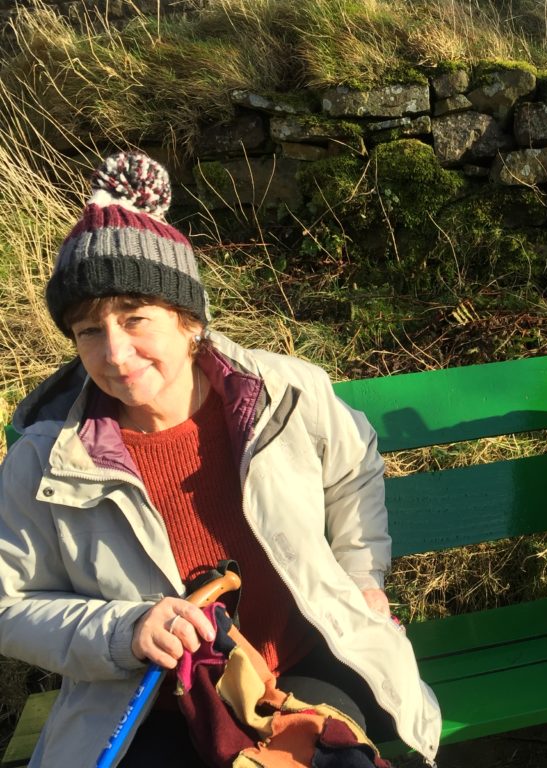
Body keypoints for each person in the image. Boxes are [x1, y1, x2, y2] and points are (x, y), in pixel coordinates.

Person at [0, 152, 441, 766]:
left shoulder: (285, 396)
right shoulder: (46, 457)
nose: (116, 353)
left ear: (189, 323)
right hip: (144, 696)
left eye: (136, 320)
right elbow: (9, 604)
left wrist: (363, 576)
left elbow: (353, 466)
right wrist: (124, 631)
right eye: (89, 332)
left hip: (297, 664)